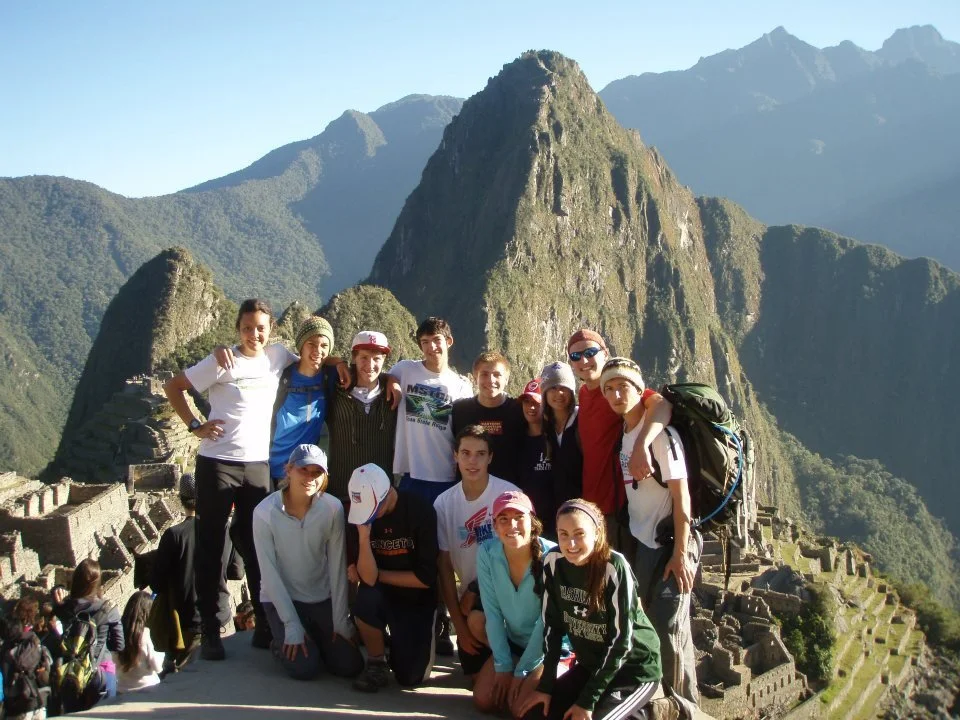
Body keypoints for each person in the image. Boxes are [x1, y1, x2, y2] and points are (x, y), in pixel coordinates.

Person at [163, 298, 297, 659]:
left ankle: (264, 624)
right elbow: (173, 387)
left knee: (257, 544)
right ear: (238, 328)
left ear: (271, 331)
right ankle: (210, 627)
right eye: (247, 327)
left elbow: (316, 361)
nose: (254, 334)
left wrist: (336, 364)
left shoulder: (278, 357)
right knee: (211, 544)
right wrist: (195, 426)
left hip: (257, 464)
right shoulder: (221, 360)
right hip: (217, 462)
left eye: (261, 328)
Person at [518, 499, 682, 720]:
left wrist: (587, 701)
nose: (571, 543)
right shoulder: (553, 563)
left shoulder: (614, 567)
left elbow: (621, 642)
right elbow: (552, 628)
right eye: (563, 534)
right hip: (592, 666)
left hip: (634, 670)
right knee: (535, 715)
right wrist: (546, 687)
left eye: (579, 534)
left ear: (596, 533)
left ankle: (655, 711)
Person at [601, 358, 700, 714]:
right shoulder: (626, 435)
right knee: (650, 630)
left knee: (670, 633)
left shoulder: (660, 436)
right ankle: (660, 705)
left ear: (639, 389)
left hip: (669, 543)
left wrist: (680, 552)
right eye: (608, 388)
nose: (615, 394)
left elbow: (681, 495)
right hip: (643, 543)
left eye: (622, 387)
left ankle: (683, 707)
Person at [252, 444, 363, 681]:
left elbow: (337, 564)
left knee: (349, 666)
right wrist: (291, 624)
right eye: (304, 470)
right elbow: (269, 573)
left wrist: (340, 619)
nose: (310, 478)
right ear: (288, 470)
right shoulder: (264, 512)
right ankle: (280, 641)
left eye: (317, 473)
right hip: (282, 598)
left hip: (320, 597)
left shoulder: (332, 508)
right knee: (305, 668)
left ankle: (314, 635)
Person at [566, 329, 672, 554]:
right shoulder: (584, 394)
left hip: (618, 509)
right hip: (591, 508)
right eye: (575, 357)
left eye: (590, 352)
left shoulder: (620, 391)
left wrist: (641, 445)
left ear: (604, 353)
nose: (583, 361)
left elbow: (662, 405)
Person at [434, 425, 519, 680]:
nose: (473, 461)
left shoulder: (509, 495)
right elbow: (445, 567)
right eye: (466, 453)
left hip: (508, 597)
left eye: (480, 454)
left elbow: (520, 557)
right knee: (473, 679)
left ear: (490, 457)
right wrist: (458, 626)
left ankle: (522, 670)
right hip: (468, 607)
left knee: (479, 623)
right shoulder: (444, 504)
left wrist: (475, 589)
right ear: (455, 456)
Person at [347, 463, 439, 692]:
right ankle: (376, 661)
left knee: (411, 677)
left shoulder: (420, 510)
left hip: (416, 598)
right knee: (366, 600)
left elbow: (425, 578)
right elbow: (368, 581)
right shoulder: (359, 518)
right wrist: (363, 537)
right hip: (381, 594)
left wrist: (378, 575)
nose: (369, 515)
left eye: (373, 507)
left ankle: (420, 633)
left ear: (387, 493)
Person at [472, 491, 558, 718]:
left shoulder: (553, 556)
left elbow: (547, 622)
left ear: (533, 521)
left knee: (520, 710)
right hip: (514, 642)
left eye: (519, 517)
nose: (512, 525)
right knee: (483, 700)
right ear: (495, 526)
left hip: (548, 647)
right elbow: (492, 613)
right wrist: (503, 665)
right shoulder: (487, 552)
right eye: (504, 519)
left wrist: (521, 672)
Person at [391, 316, 473, 504]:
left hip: (446, 474)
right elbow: (378, 379)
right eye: (425, 342)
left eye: (437, 340)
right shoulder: (404, 370)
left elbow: (465, 432)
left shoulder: (461, 386)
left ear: (448, 342)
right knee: (411, 532)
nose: (431, 347)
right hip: (411, 473)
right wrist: (392, 383)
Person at [326, 331, 398, 504]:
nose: (370, 365)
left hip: (380, 495)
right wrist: (338, 363)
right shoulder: (335, 389)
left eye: (377, 359)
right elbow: (317, 360)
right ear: (354, 358)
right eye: (364, 357)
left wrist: (392, 379)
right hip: (340, 492)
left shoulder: (392, 396)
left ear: (384, 360)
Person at [269, 315, 339, 486]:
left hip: (308, 474)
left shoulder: (329, 378)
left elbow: (366, 374)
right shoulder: (280, 376)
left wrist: (390, 381)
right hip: (274, 471)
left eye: (324, 346)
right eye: (311, 344)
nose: (318, 351)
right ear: (300, 347)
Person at [53, 559, 124, 713]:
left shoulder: (66, 608)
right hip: (100, 672)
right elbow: (119, 645)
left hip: (71, 673)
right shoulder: (108, 609)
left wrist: (57, 598)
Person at [148, 473, 203, 670]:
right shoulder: (221, 530)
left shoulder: (174, 535)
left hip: (185, 621)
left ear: (181, 500)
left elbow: (156, 583)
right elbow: (235, 572)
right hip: (217, 615)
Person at [452, 352, 526, 484]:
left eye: (497, 375)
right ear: (475, 378)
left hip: (508, 493)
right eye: (484, 374)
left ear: (507, 379)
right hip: (468, 494)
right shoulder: (459, 410)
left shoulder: (520, 410)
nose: (491, 380)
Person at [513, 379, 557, 538]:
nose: (531, 407)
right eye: (527, 402)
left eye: (536, 403)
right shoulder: (516, 440)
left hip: (555, 521)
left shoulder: (556, 438)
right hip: (526, 520)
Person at [539, 362, 582, 513]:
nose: (559, 394)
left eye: (564, 388)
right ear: (544, 393)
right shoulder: (543, 425)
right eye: (553, 388)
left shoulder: (582, 419)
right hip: (553, 509)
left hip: (582, 506)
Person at [1, 613, 51, 720]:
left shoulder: (7, 653)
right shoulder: (35, 641)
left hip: (19, 707)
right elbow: (48, 663)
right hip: (40, 702)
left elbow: (6, 683)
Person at [115, 591, 164, 694]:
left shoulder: (118, 632)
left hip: (122, 688)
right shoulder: (146, 635)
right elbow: (158, 667)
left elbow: (114, 665)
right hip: (148, 687)